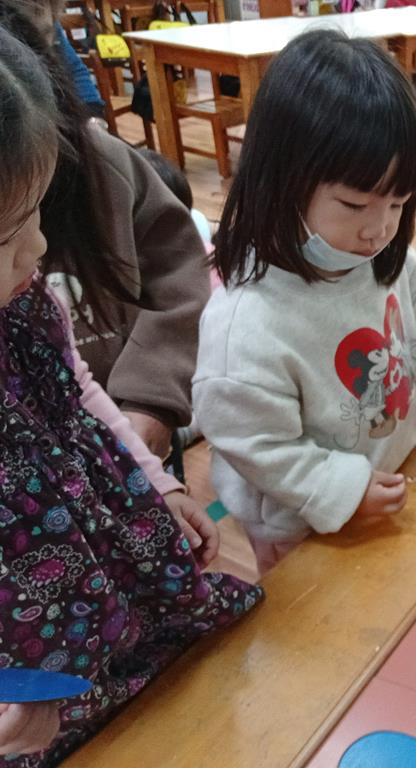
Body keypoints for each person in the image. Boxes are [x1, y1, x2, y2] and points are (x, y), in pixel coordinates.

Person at [0, 29, 262, 765]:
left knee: (175, 705)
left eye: (37, 215)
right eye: (9, 235)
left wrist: (157, 482)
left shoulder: (26, 300)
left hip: (104, 562)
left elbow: (81, 393)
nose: (39, 248)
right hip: (27, 648)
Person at [193, 30, 416, 574]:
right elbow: (253, 442)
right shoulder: (248, 321)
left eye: (398, 204)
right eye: (355, 204)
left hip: (395, 466)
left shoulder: (376, 252)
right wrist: (340, 490)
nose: (378, 228)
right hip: (306, 523)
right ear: (283, 180)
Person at [1, 0, 212, 461]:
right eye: (11, 230)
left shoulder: (103, 164)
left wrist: (152, 399)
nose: (36, 249)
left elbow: (179, 273)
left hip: (138, 438)